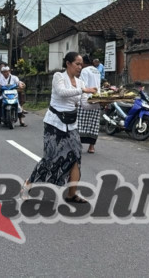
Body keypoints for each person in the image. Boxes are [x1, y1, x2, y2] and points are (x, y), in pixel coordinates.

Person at [26, 52, 97, 202]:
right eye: (77, 64)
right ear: (68, 63)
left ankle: (72, 193)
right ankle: (28, 185)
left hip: (71, 124)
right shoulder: (59, 77)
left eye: (81, 64)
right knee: (50, 158)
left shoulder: (80, 82)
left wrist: (100, 103)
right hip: (54, 123)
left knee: (76, 157)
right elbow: (62, 93)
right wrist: (83, 90)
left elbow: (84, 104)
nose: (80, 67)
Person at [78, 55, 102, 154]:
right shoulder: (96, 70)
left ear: (83, 63)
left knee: (80, 123)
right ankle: (91, 147)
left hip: (86, 99)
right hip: (97, 98)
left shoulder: (84, 71)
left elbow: (83, 85)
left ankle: (78, 145)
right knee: (93, 123)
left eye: (80, 63)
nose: (79, 66)